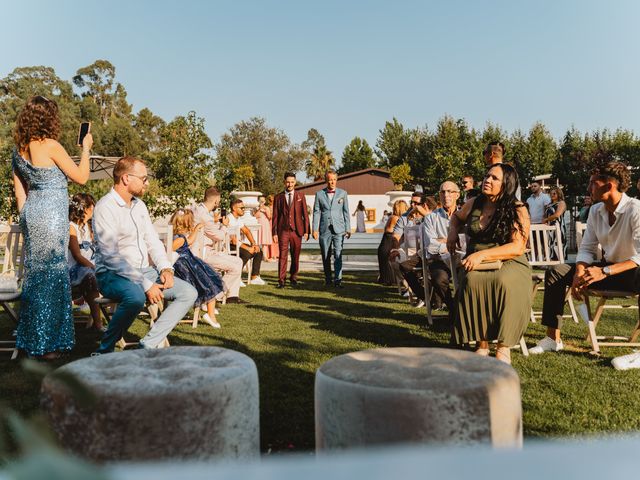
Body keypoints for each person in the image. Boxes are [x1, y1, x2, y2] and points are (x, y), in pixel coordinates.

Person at [530, 162, 640, 363]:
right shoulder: (596, 210)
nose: (588, 188)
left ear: (609, 186)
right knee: (557, 271)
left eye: (592, 184)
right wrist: (580, 271)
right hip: (607, 270)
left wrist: (603, 271)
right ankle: (552, 338)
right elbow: (587, 248)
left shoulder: (636, 209)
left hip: (631, 273)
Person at [12, 95, 92, 359]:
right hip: (51, 215)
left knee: (36, 275)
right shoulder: (50, 145)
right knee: (53, 275)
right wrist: (86, 148)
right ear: (49, 118)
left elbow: (20, 193)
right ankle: (47, 346)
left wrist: (27, 217)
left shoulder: (18, 150)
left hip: (32, 214)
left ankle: (30, 338)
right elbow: (81, 178)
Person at [92, 156, 198, 354]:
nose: (147, 183)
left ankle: (147, 344)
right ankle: (104, 350)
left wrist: (165, 267)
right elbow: (111, 257)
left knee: (188, 293)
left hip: (145, 271)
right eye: (143, 178)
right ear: (126, 179)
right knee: (135, 298)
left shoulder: (140, 206)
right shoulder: (105, 207)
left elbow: (152, 241)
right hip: (112, 275)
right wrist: (146, 285)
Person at [447, 163, 531, 364]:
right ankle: (481, 344)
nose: (487, 180)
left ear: (506, 184)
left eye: (494, 178)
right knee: (472, 281)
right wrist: (452, 233)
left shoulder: (517, 208)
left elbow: (517, 247)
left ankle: (504, 346)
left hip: (508, 260)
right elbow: (456, 218)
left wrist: (482, 256)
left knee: (504, 281)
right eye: (487, 176)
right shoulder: (475, 203)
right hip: (475, 261)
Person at [170, 208, 226, 329]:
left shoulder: (177, 237)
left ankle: (210, 313)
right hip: (187, 268)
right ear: (187, 224)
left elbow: (189, 241)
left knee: (210, 282)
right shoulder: (179, 239)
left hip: (188, 265)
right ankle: (211, 316)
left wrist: (195, 230)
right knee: (209, 283)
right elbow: (171, 249)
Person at [192, 187, 246, 303]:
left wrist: (216, 222)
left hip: (206, 250)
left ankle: (232, 296)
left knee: (238, 261)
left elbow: (210, 229)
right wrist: (225, 225)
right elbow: (219, 237)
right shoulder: (205, 216)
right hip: (203, 254)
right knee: (235, 267)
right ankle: (213, 295)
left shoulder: (200, 210)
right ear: (216, 201)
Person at [420, 181, 461, 310]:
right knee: (439, 279)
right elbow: (431, 246)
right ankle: (453, 308)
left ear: (457, 195)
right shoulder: (431, 218)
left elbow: (467, 240)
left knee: (471, 279)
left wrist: (443, 240)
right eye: (442, 192)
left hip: (461, 259)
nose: (446, 195)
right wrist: (452, 243)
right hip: (439, 259)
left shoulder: (465, 215)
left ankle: (464, 310)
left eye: (450, 191)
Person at [68, 193, 103, 332]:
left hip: (88, 266)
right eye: (91, 206)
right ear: (84, 209)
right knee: (91, 275)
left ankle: (103, 318)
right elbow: (77, 255)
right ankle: (98, 323)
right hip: (75, 270)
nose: (93, 209)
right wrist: (93, 267)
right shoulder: (71, 227)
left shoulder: (88, 227)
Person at [312, 170, 351, 288]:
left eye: (334, 179)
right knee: (325, 255)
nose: (332, 182)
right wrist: (314, 229)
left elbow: (346, 212)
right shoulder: (319, 194)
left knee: (338, 254)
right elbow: (316, 212)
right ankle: (328, 279)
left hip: (339, 229)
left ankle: (338, 280)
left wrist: (348, 228)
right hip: (324, 229)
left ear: (336, 180)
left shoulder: (343, 193)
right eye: (330, 179)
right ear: (326, 180)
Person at [271, 172, 310, 288]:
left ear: (295, 182)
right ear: (284, 182)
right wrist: (274, 232)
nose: (290, 184)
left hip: (297, 231)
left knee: (295, 256)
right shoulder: (278, 197)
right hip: (283, 231)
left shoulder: (300, 196)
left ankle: (293, 278)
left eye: (292, 182)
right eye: (288, 182)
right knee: (283, 256)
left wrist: (307, 231)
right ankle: (281, 280)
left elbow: (305, 215)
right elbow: (275, 216)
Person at [227, 198, 266, 285]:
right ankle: (236, 277)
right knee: (247, 253)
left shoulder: (238, 219)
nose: (243, 210)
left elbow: (247, 231)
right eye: (241, 208)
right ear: (234, 208)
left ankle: (255, 277)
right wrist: (248, 248)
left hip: (237, 243)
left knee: (258, 251)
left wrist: (254, 244)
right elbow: (233, 240)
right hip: (228, 245)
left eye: (244, 208)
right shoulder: (229, 219)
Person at [377, 200, 408, 286]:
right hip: (388, 243)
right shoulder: (396, 218)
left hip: (386, 243)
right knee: (390, 264)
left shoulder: (392, 217)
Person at [542, 186, 567, 260]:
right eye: (551, 193)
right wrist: (545, 221)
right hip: (549, 228)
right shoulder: (548, 205)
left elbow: (557, 214)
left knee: (557, 244)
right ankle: (549, 261)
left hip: (558, 226)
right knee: (549, 244)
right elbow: (544, 216)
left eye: (554, 193)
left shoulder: (561, 203)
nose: (552, 195)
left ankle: (559, 261)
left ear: (559, 194)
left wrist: (546, 219)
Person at [254, 195, 275, 261]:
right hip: (258, 224)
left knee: (264, 241)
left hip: (265, 224)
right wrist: (259, 209)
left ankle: (265, 256)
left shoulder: (267, 208)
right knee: (257, 240)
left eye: (263, 201)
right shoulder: (256, 208)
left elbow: (269, 217)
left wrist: (265, 210)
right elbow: (255, 216)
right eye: (260, 201)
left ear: (265, 201)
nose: (262, 202)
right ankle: (257, 256)